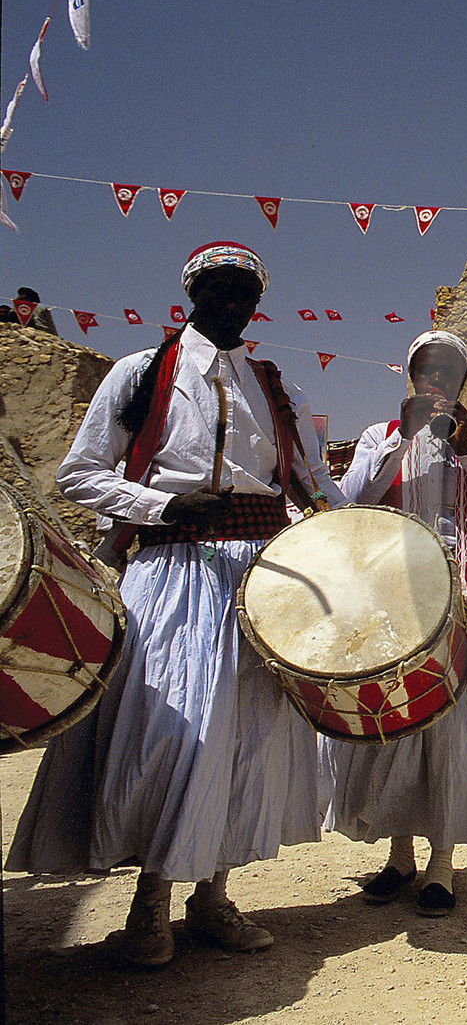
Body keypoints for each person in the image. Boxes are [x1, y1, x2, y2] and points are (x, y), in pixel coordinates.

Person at [6, 242, 346, 966]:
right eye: (218, 287)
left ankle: (213, 897)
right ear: (193, 293)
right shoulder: (142, 372)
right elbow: (80, 474)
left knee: (246, 737)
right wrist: (162, 505)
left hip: (263, 578)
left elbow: (312, 480)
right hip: (172, 571)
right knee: (175, 731)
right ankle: (150, 902)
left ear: (257, 303)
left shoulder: (274, 385)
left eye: (245, 291)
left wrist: (357, 536)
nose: (232, 301)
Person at [323, 330, 467, 915]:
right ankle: (399, 857)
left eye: (448, 372)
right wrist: (403, 439)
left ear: (463, 382)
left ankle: (442, 863)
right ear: (411, 377)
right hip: (396, 602)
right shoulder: (380, 435)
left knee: (453, 734)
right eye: (427, 371)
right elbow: (350, 499)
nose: (436, 380)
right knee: (397, 724)